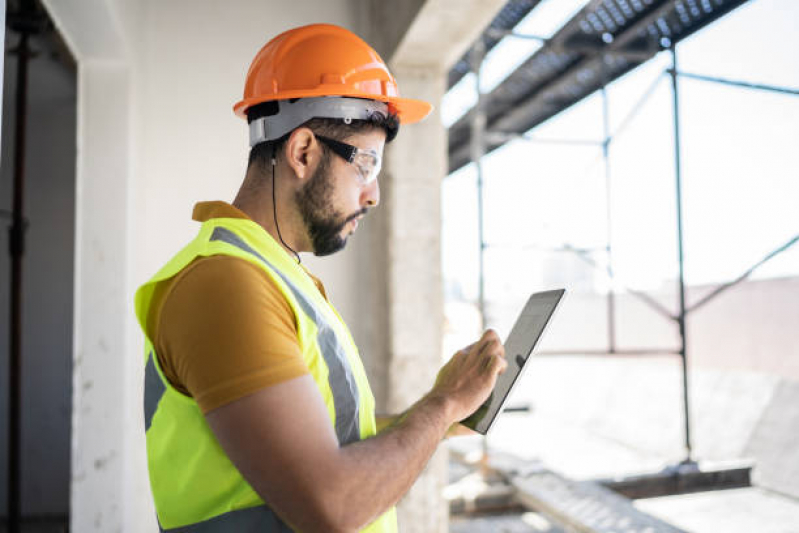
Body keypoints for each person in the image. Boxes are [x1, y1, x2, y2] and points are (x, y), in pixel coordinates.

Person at [134, 23, 506, 532]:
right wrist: (441, 407)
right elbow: (331, 506)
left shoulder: (277, 275)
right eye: (366, 164)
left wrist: (440, 413)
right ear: (304, 151)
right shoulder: (226, 285)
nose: (373, 195)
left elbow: (325, 435)